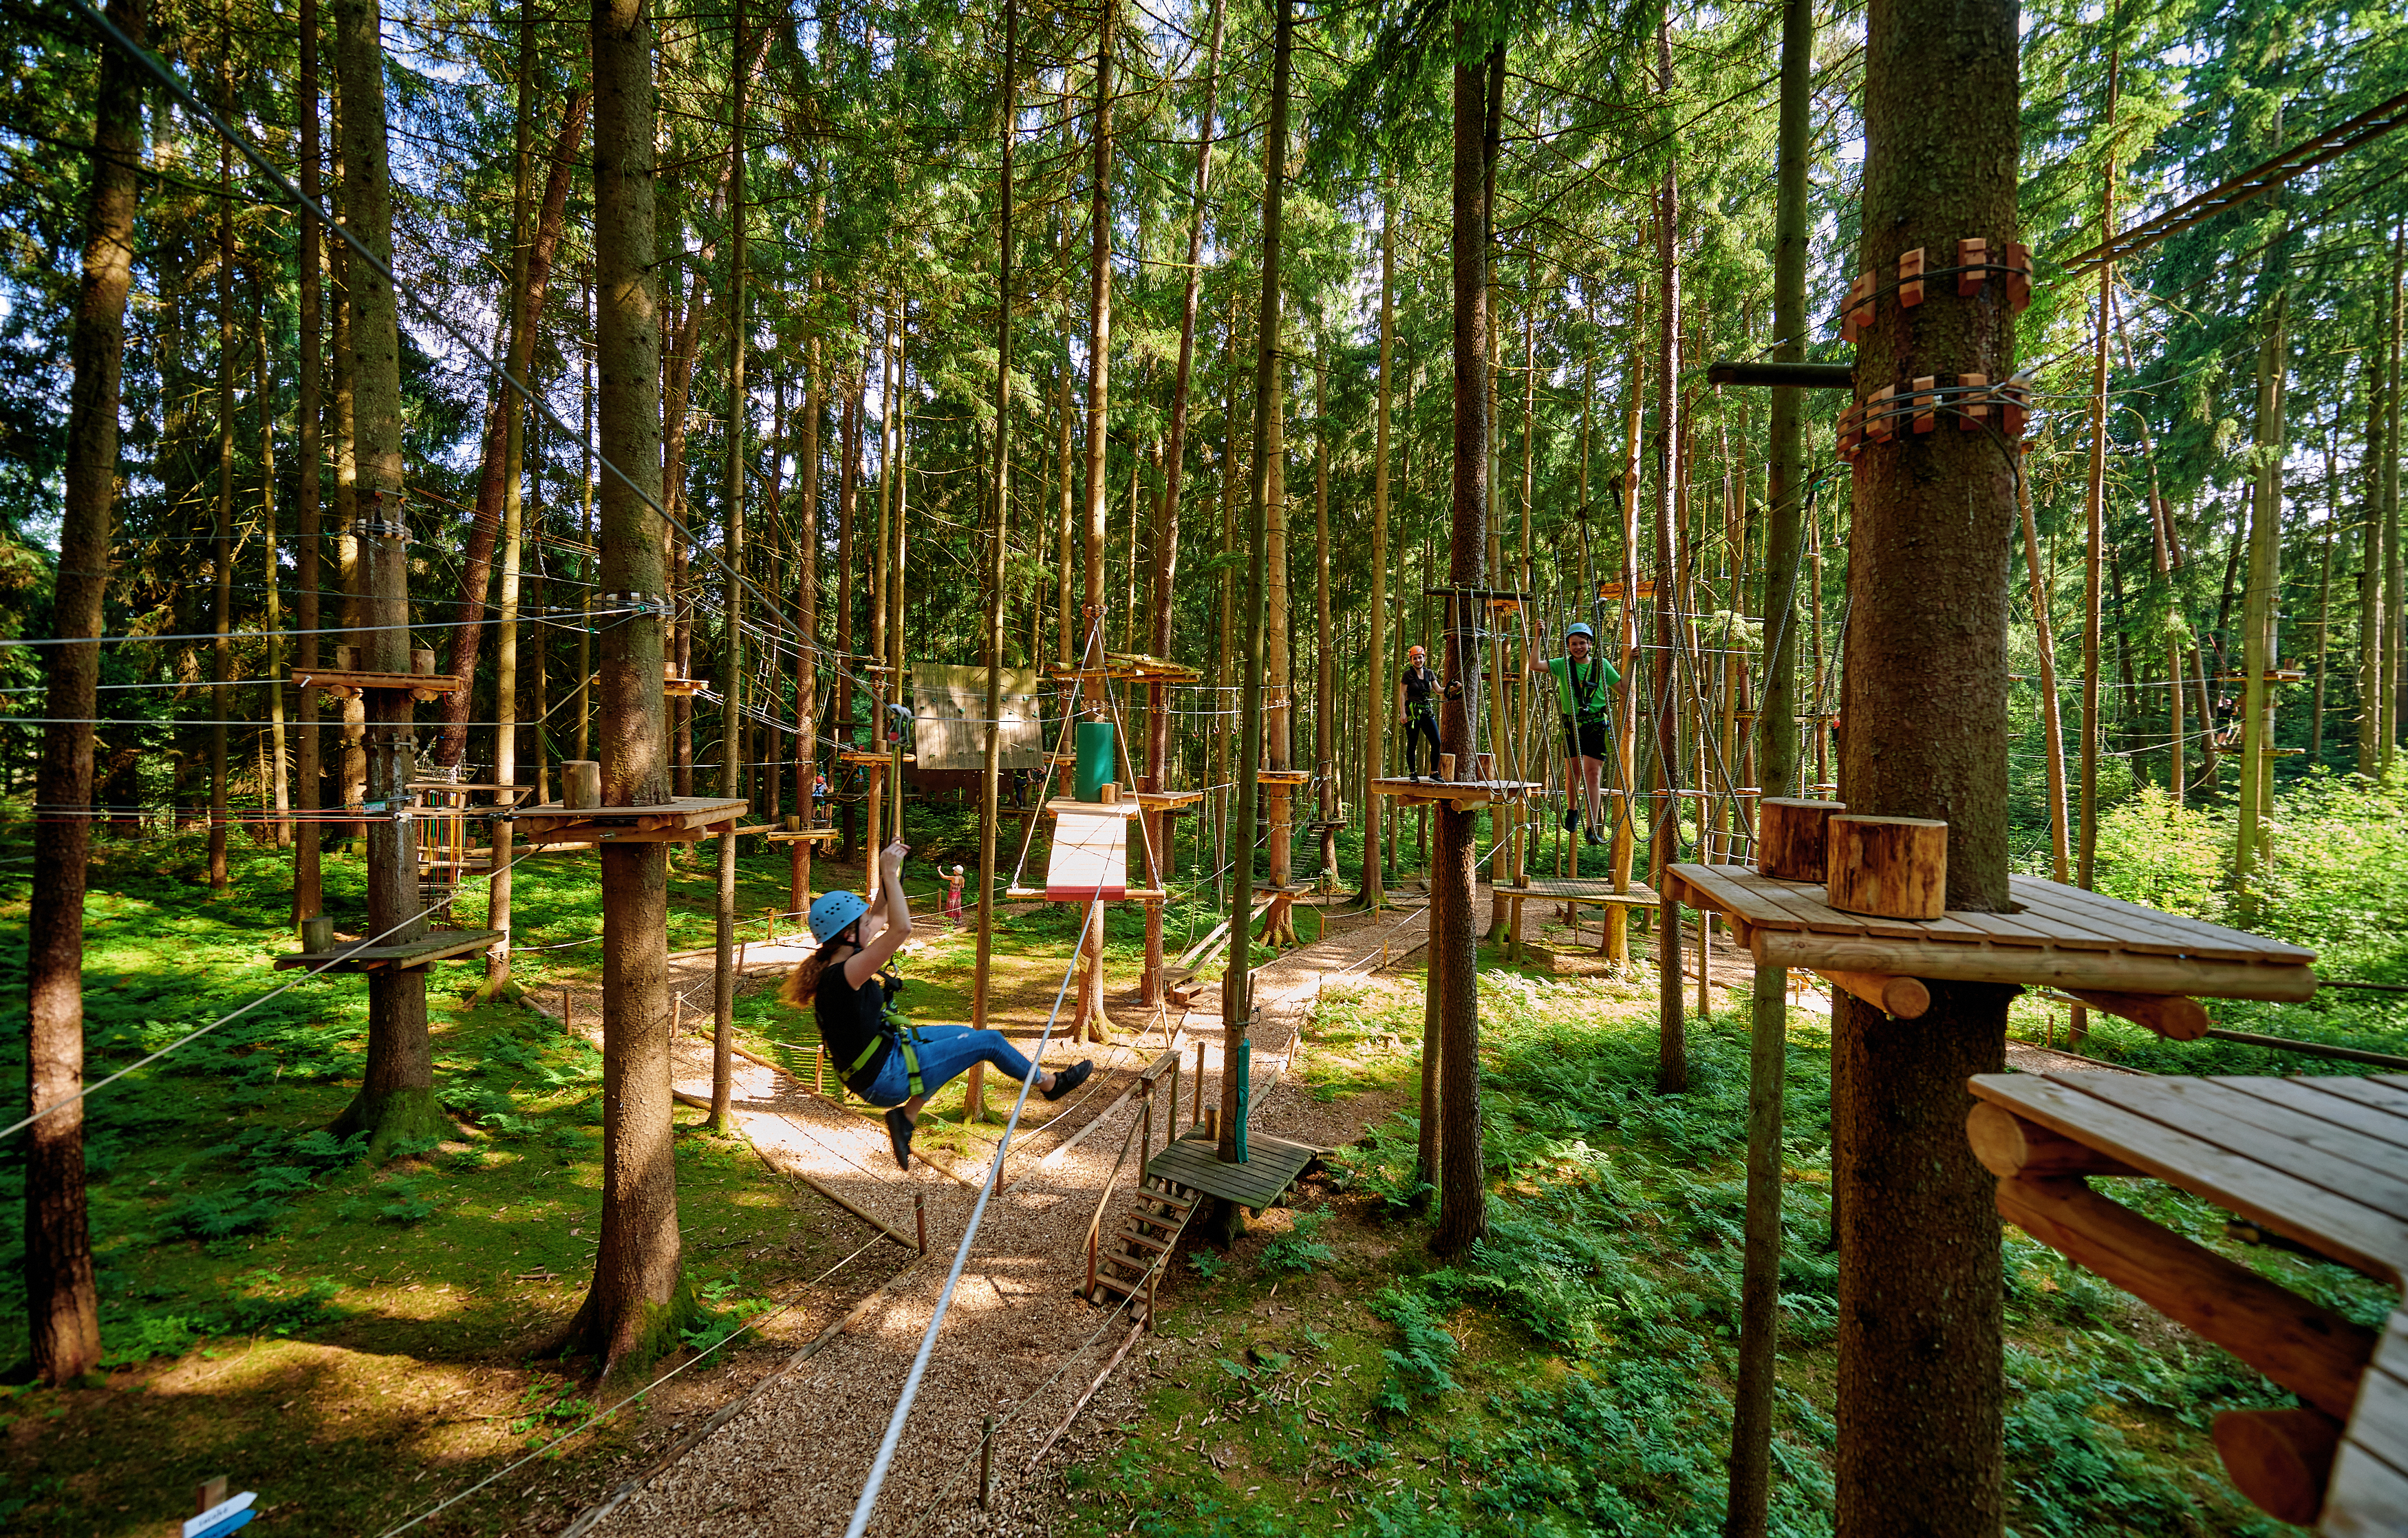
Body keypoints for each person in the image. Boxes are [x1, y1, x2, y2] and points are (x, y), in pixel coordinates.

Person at [781, 838, 1092, 1170]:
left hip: (880, 1063)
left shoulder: (844, 957)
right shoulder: (845, 974)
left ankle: (906, 1117)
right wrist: (886, 869)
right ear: (847, 934)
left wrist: (891, 870)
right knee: (989, 1042)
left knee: (963, 1038)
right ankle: (1050, 1085)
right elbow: (901, 928)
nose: (868, 924)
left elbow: (882, 912)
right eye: (861, 922)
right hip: (885, 1076)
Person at [1536, 621, 1620, 847]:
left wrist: (1631, 661)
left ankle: (1592, 826)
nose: (1578, 647)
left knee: (1592, 775)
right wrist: (1538, 636)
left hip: (1595, 725)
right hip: (1571, 725)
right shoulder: (1562, 665)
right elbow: (1535, 665)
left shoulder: (1602, 665)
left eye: (1582, 643)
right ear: (1568, 646)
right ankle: (1572, 810)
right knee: (1573, 773)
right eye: (1574, 644)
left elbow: (1623, 689)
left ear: (1590, 644)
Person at [1397, 645, 1444, 780]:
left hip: (1426, 712)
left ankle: (1434, 773)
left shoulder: (1429, 673)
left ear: (1424, 658)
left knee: (1436, 742)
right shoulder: (1408, 675)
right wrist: (1403, 713)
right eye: (1415, 658)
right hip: (1412, 712)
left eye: (1420, 658)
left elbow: (1439, 690)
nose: (1418, 660)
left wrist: (1453, 688)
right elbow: (1402, 694)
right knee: (1412, 743)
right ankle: (1413, 773)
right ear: (1411, 660)